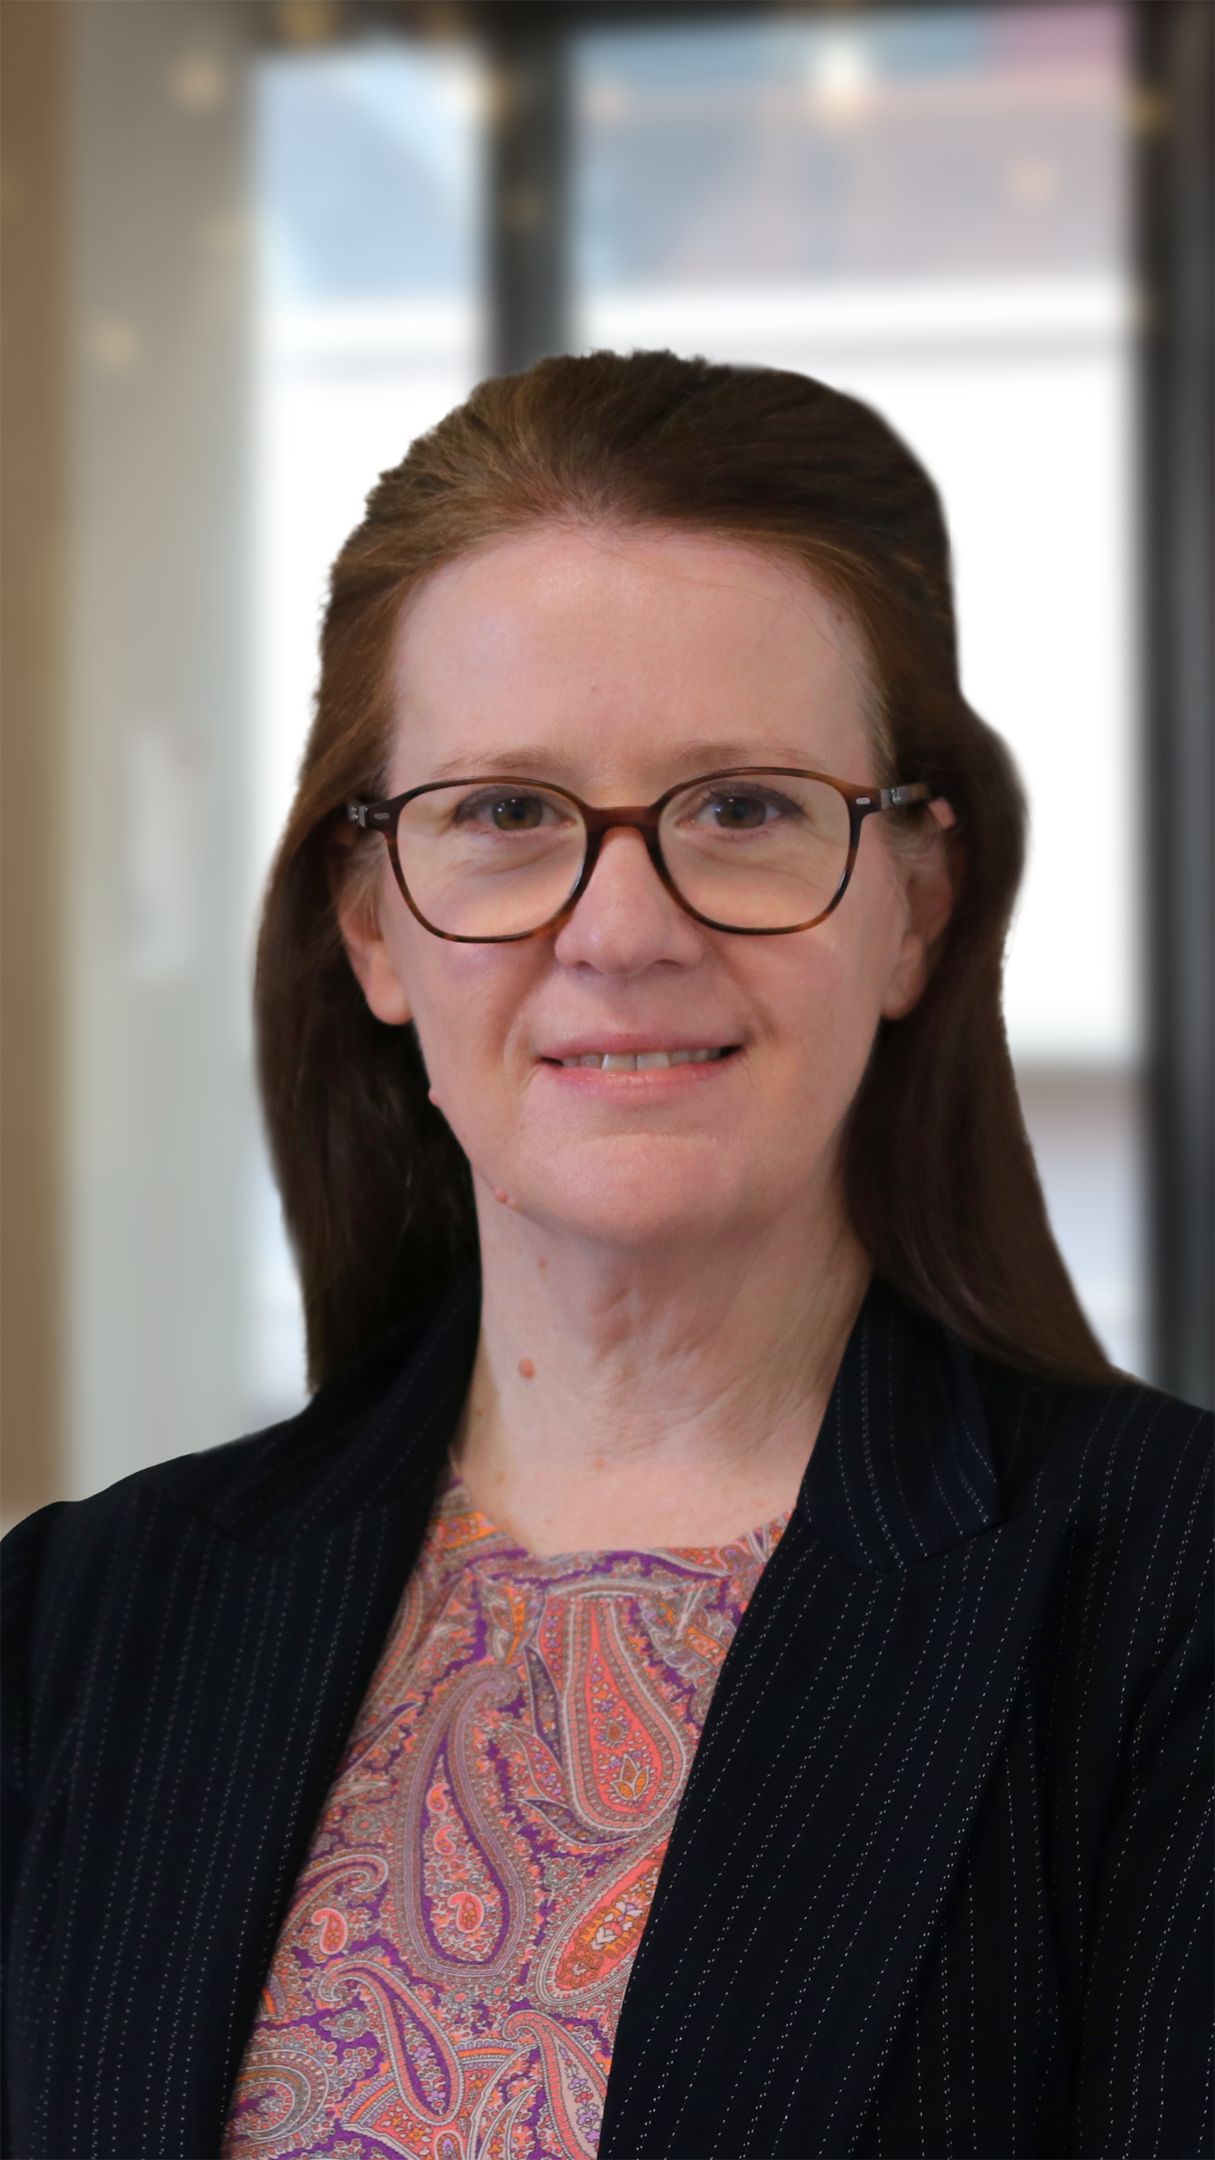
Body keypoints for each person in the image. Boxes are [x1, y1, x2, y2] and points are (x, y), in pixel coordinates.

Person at [2, 349, 1211, 2160]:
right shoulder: (73, 1628)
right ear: (374, 932)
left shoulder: (1173, 1604)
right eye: (503, 815)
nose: (623, 929)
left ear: (914, 910)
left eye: (744, 806)